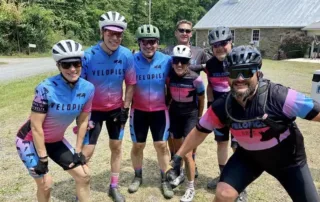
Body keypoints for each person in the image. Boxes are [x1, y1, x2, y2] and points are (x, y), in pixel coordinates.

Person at [167, 45, 320, 202]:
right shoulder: (222, 106)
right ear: (228, 76)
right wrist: (178, 155)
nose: (240, 78)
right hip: (249, 157)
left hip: (288, 160)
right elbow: (199, 131)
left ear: (258, 73)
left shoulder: (280, 97)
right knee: (223, 194)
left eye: (247, 71)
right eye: (234, 72)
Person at [16, 40, 95, 202]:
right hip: (29, 140)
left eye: (76, 63)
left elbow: (83, 121)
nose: (72, 69)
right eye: (66, 65)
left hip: (55, 140)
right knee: (46, 184)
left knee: (84, 176)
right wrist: (43, 159)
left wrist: (78, 151)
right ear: (58, 66)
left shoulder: (88, 88)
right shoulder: (45, 88)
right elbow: (36, 126)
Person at [80, 11, 136, 202]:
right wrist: (82, 115)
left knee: (116, 147)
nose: (115, 37)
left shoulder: (127, 55)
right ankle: (82, 190)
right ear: (102, 32)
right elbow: (80, 87)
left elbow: (130, 83)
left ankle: (114, 186)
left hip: (115, 110)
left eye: (119, 34)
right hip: (92, 111)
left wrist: (125, 109)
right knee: (86, 152)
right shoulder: (88, 56)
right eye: (110, 33)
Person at [127, 24, 174, 199]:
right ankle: (138, 176)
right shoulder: (131, 60)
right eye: (145, 42)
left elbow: (180, 75)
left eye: (152, 42)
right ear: (139, 43)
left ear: (158, 43)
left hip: (160, 111)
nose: (148, 45)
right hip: (138, 110)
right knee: (138, 145)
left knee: (161, 145)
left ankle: (165, 179)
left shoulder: (166, 60)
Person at [162, 19, 209, 183]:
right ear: (176, 32)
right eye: (181, 30)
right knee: (173, 136)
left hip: (191, 102)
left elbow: (211, 65)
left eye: (188, 31)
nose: (184, 33)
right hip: (173, 99)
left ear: (191, 33)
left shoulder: (199, 51)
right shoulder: (167, 51)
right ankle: (175, 164)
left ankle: (191, 162)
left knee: (191, 137)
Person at [166, 45, 205, 201]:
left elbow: (202, 99)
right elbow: (168, 95)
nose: (179, 65)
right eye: (176, 61)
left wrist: (199, 117)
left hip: (190, 115)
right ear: (172, 62)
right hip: (175, 114)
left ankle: (190, 187)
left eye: (183, 61)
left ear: (189, 62)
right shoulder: (169, 76)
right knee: (176, 149)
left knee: (187, 153)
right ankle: (181, 173)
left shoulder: (196, 78)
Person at [205, 27, 241, 193]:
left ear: (231, 42)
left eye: (223, 43)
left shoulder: (239, 59)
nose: (219, 47)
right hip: (220, 111)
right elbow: (210, 85)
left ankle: (239, 183)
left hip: (240, 112)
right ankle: (223, 176)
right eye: (215, 45)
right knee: (221, 143)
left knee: (238, 147)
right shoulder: (210, 64)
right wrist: (210, 103)